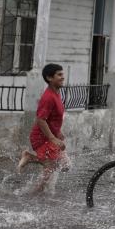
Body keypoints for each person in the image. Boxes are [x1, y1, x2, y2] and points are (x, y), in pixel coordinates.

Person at [17, 63, 70, 194]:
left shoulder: (56, 93)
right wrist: (53, 138)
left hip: (51, 135)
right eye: (59, 75)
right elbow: (40, 120)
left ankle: (37, 189)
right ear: (49, 78)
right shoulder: (48, 97)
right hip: (42, 137)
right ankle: (37, 191)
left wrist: (59, 133)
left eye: (62, 74)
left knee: (65, 165)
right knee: (51, 167)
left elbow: (53, 118)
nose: (63, 77)